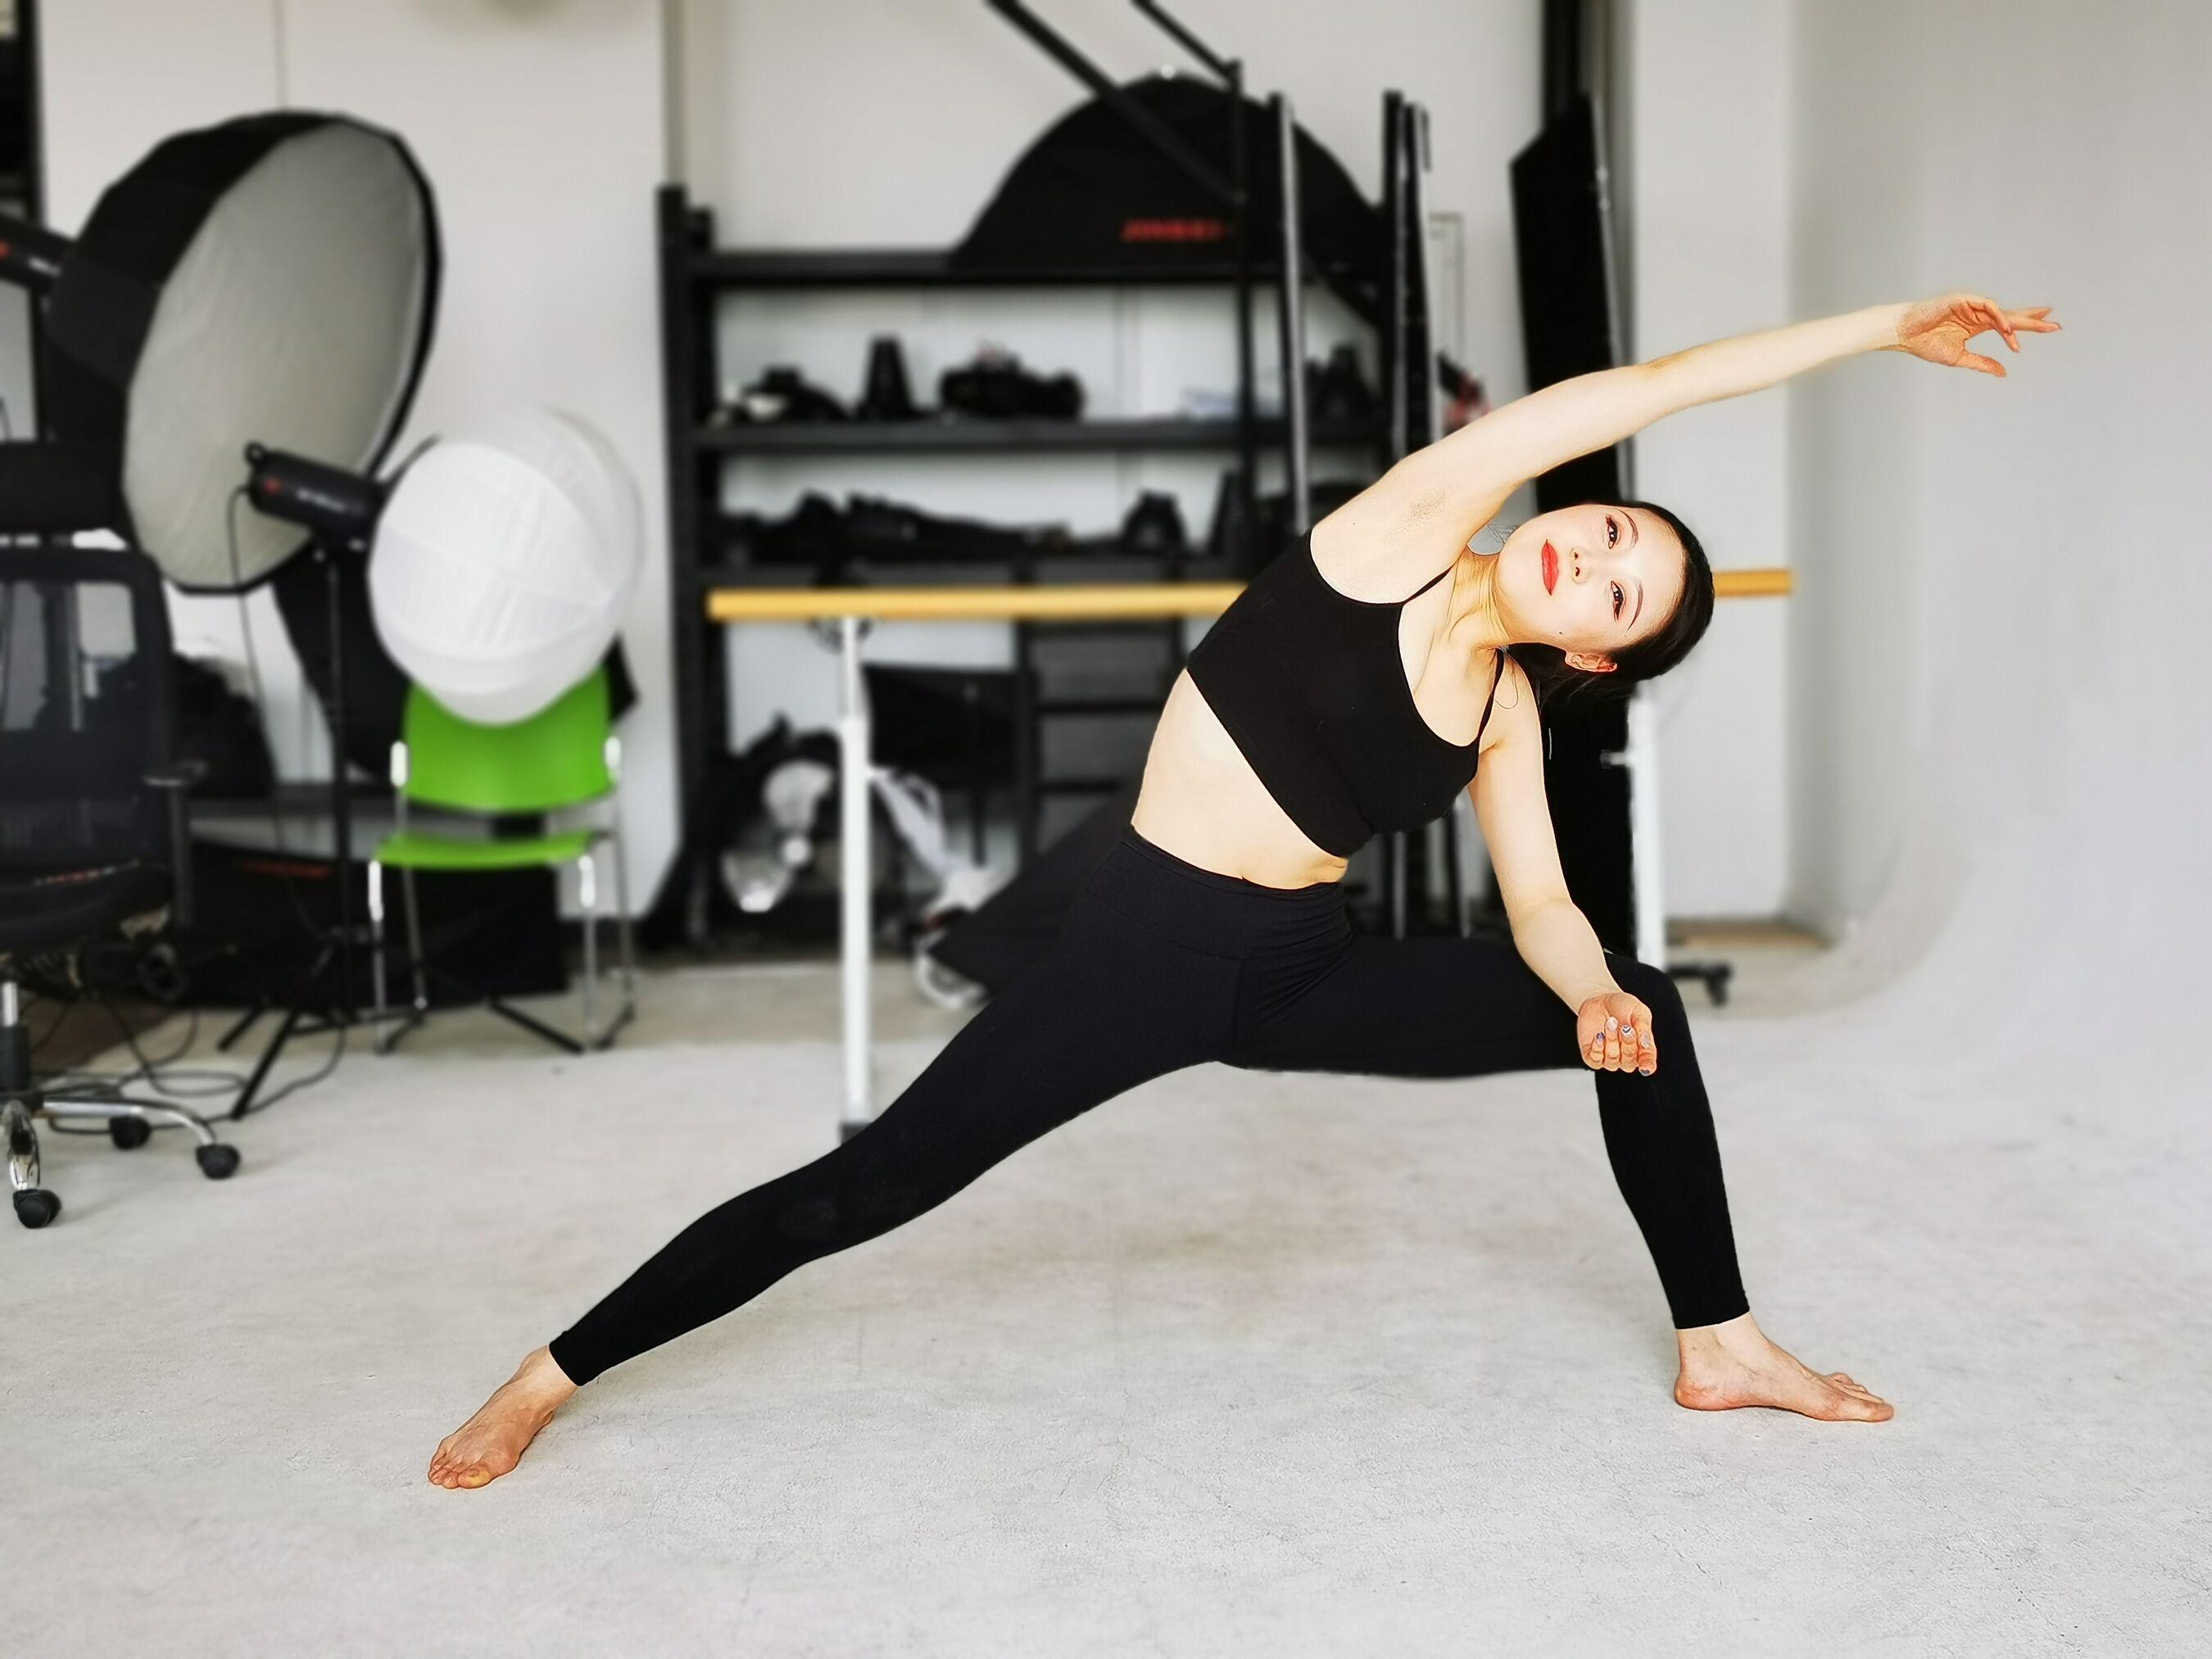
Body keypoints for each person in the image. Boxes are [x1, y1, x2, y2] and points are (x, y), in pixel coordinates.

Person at [430, 293, 2057, 1489]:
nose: (1596, 557)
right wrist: (1881, 328)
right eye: (1615, 528)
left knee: (1638, 1006)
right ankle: (551, 1368)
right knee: (870, 1186)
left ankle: (1722, 1341)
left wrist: (1592, 997)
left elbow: (1545, 908)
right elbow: (1651, 383)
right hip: (1138, 948)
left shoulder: (1505, 712)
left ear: (1599, 652)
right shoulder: (1410, 522)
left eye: (1623, 593)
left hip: (1298, 972)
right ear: (1575, 501)